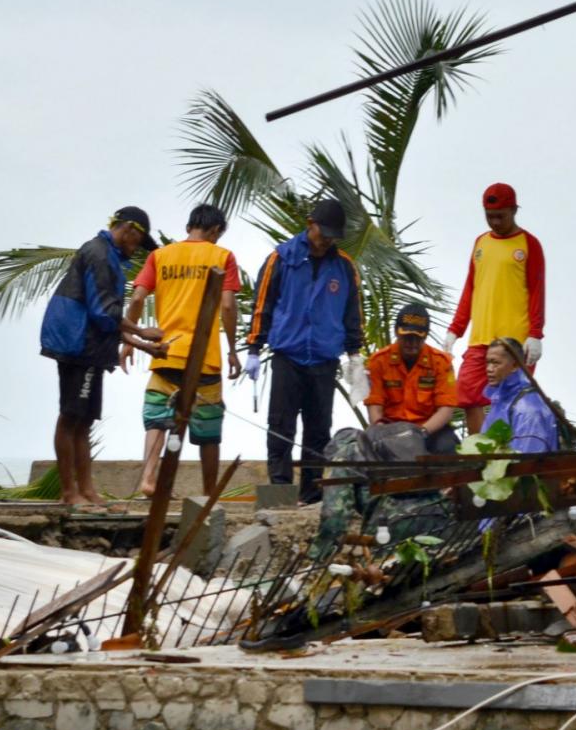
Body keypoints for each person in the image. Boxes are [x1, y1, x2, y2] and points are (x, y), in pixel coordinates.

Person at [39, 207, 166, 510]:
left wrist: (142, 344)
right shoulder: (99, 254)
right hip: (78, 345)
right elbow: (103, 312)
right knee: (71, 417)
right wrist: (142, 334)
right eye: (137, 242)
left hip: (90, 346)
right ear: (130, 230)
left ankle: (88, 491)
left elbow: (104, 318)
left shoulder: (107, 256)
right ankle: (70, 493)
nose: (135, 249)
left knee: (83, 421)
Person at [246, 199, 367, 503]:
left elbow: (353, 312)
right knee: (281, 427)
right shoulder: (282, 258)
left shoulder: (344, 267)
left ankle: (312, 494)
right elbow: (263, 305)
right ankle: (279, 491)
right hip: (288, 355)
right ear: (309, 223)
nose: (326, 239)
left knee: (318, 430)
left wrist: (355, 354)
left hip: (324, 359)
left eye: (332, 235)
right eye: (322, 232)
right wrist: (253, 347)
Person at [120, 203, 243, 498]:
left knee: (156, 419)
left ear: (189, 227)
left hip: (165, 352)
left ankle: (149, 478)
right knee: (208, 429)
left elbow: (136, 299)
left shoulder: (159, 256)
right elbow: (227, 305)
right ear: (215, 231)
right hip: (205, 358)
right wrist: (232, 350)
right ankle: (209, 492)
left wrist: (128, 338)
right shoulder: (223, 256)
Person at [442, 183, 545, 434]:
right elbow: (470, 288)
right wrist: (455, 329)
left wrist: (535, 334)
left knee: (513, 397)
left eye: (501, 216)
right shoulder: (481, 242)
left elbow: (537, 292)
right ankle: (480, 454)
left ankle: (511, 455)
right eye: (490, 217)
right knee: (467, 393)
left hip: (515, 341)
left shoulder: (528, 244)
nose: (495, 222)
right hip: (481, 337)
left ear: (514, 210)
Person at [363, 303, 459, 453]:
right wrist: (382, 433)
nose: (412, 343)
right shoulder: (378, 361)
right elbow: (375, 406)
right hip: (391, 429)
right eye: (407, 337)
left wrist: (421, 433)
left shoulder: (441, 362)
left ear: (425, 336)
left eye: (417, 338)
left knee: (447, 447)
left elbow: (446, 410)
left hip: (429, 429)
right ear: (396, 332)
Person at [482, 337, 559, 453]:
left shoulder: (528, 409)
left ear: (515, 366)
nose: (489, 369)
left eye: (496, 363)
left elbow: (528, 463)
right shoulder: (501, 401)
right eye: (488, 362)